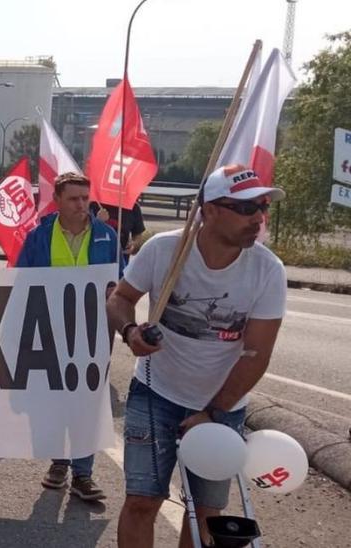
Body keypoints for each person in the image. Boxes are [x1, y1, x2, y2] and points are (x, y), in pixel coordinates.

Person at [108, 165, 286, 548]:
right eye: (245, 207)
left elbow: (256, 355)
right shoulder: (163, 250)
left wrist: (213, 411)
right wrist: (131, 332)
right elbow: (120, 299)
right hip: (156, 393)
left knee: (204, 512)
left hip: (222, 405)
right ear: (210, 210)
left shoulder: (268, 270)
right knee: (142, 502)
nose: (258, 217)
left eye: (262, 206)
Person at [15, 173, 121, 502]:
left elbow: (123, 282)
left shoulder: (107, 236)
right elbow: (21, 283)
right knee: (53, 401)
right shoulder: (39, 237)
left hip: (93, 334)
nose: (81, 205)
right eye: (74, 198)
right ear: (57, 200)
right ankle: (58, 463)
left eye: (85, 198)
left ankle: (84, 474)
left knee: (87, 403)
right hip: (49, 331)